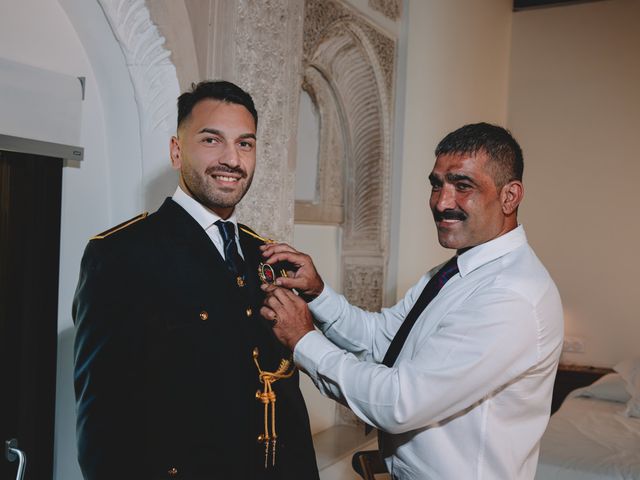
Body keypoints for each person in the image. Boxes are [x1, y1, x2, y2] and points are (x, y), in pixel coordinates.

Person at [260, 123, 563, 479]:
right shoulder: (452, 273)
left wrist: (303, 341)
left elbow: (398, 402)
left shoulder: (511, 297)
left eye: (462, 185)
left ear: (510, 196)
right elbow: (382, 340)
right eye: (437, 184)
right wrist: (318, 293)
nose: (441, 202)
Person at [73, 81, 319, 480]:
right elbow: (103, 422)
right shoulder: (121, 255)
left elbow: (285, 401)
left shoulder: (268, 255)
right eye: (211, 140)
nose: (231, 159)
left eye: (245, 144)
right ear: (176, 151)